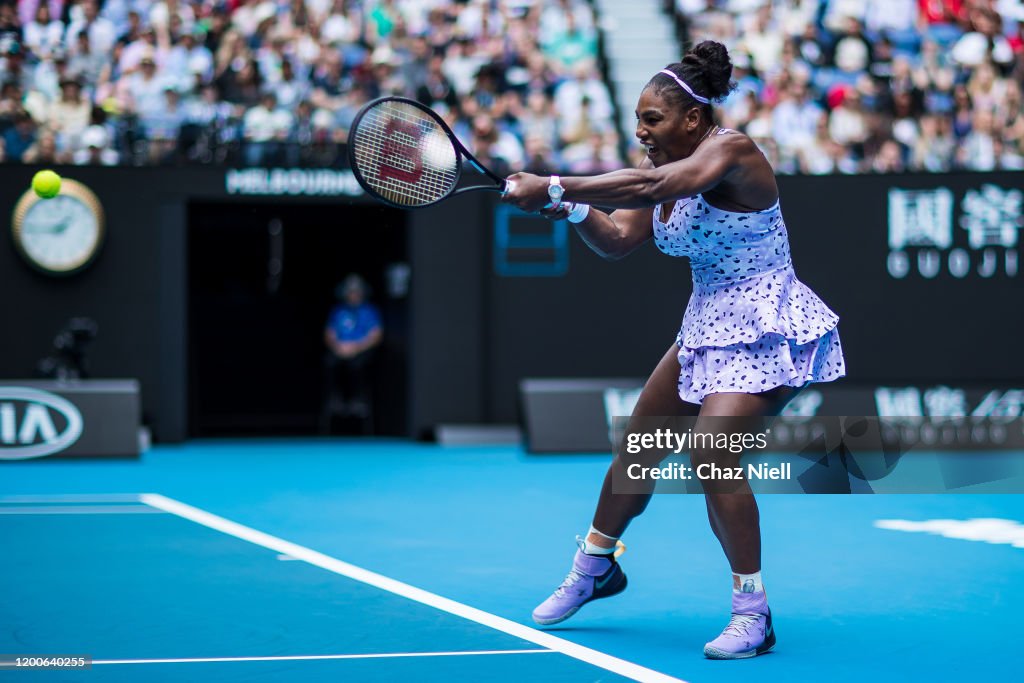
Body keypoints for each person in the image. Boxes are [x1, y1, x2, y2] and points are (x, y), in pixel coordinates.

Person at [501, 41, 846, 659]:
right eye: (637, 120)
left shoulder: (732, 152)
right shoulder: (660, 170)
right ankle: (596, 566)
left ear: (693, 118)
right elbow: (617, 239)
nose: (641, 130)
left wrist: (554, 186)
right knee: (639, 449)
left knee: (713, 455)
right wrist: (574, 209)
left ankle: (753, 613)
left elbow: (658, 182)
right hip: (705, 324)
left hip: (769, 322)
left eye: (652, 119)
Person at [323, 274, 383, 430]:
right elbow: (330, 333)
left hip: (361, 350)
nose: (353, 294)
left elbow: (375, 335)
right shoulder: (339, 311)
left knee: (357, 365)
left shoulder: (369, 311)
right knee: (330, 362)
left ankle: (358, 399)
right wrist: (339, 346)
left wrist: (356, 347)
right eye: (350, 291)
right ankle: (336, 399)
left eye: (356, 291)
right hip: (341, 350)